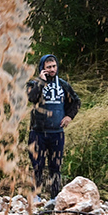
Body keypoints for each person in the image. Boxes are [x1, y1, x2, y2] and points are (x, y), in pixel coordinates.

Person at [26, 53, 80, 199]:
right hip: (38, 132)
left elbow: (76, 101)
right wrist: (41, 82)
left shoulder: (63, 84)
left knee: (55, 166)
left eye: (54, 66)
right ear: (42, 68)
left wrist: (69, 116)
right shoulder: (33, 83)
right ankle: (36, 196)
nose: (52, 69)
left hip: (56, 132)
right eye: (48, 67)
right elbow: (31, 98)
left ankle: (55, 197)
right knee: (37, 165)